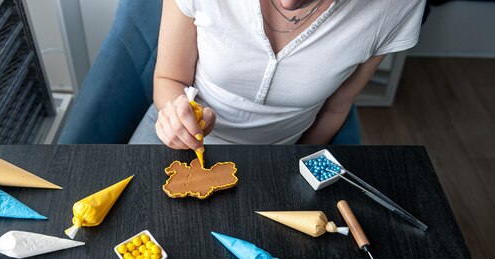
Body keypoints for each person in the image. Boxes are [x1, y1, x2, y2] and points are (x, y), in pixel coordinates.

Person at [129, 0, 426, 148]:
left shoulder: (395, 6)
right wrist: (176, 116)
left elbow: (337, 107)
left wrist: (291, 164)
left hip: (282, 152)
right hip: (174, 133)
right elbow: (169, 78)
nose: (288, 3)